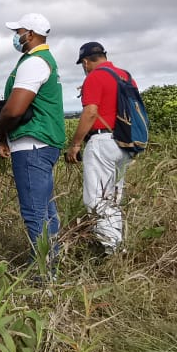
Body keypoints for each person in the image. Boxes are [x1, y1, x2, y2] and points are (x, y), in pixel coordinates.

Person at [0, 13, 65, 271]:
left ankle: (43, 273)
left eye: (19, 31)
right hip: (42, 144)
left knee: (35, 213)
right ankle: (52, 261)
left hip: (32, 145)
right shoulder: (43, 60)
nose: (16, 36)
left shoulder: (34, 62)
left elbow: (14, 110)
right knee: (46, 210)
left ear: (31, 34)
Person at [66, 42, 135, 256]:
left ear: (86, 62)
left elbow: (91, 112)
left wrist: (75, 143)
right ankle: (116, 245)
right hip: (124, 141)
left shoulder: (94, 77)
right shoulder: (125, 75)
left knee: (96, 199)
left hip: (102, 141)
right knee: (113, 196)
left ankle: (108, 249)